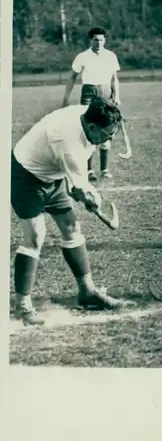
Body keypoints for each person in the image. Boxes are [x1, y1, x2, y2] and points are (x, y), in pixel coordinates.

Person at [11, 97, 127, 325]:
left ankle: (87, 292)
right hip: (25, 176)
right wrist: (91, 197)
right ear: (92, 127)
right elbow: (79, 186)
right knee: (35, 236)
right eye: (107, 135)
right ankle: (22, 305)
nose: (108, 141)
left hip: (52, 174)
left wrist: (81, 191)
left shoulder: (90, 114)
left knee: (72, 228)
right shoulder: (68, 142)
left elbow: (76, 184)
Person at [62, 26, 121, 181]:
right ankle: (88, 170)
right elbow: (72, 78)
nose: (99, 43)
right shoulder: (82, 56)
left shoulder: (110, 56)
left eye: (101, 40)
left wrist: (117, 96)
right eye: (96, 40)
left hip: (106, 93)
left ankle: (104, 169)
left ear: (105, 40)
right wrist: (66, 98)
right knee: (88, 129)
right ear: (90, 40)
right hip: (89, 93)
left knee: (106, 127)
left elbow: (114, 79)